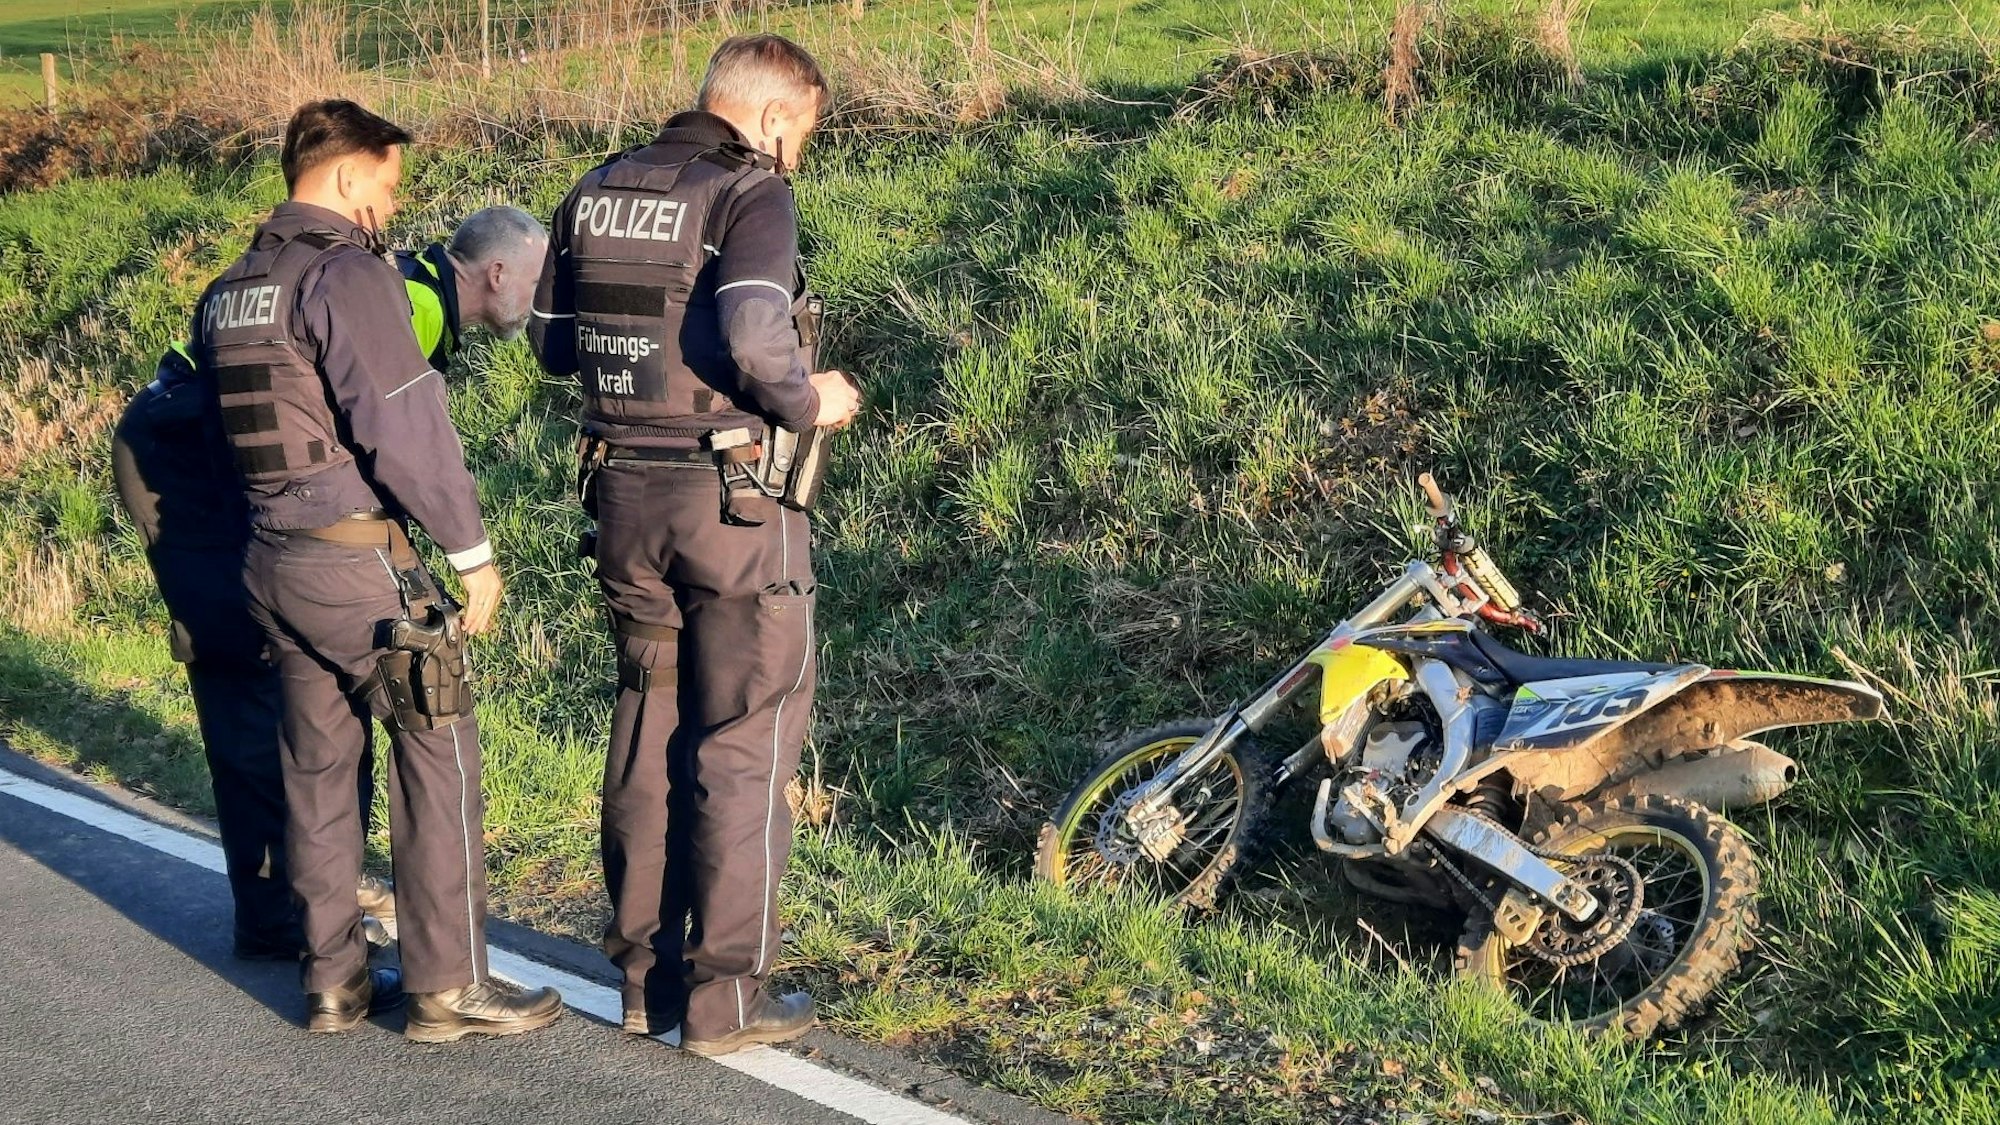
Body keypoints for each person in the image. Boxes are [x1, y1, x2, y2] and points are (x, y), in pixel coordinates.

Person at [189, 98, 561, 1040]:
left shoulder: (233, 286)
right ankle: (449, 984)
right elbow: (403, 420)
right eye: (387, 187)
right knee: (440, 751)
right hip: (358, 562)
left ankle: (334, 982)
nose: (390, 211)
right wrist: (471, 554)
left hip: (271, 561)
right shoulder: (346, 274)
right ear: (349, 172)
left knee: (317, 766)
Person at [531, 33, 861, 1055]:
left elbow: (551, 343)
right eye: (799, 133)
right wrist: (812, 399)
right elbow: (760, 334)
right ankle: (725, 1002)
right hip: (730, 510)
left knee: (646, 725)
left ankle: (641, 981)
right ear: (769, 116)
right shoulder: (747, 193)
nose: (796, 154)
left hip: (621, 498)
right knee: (746, 740)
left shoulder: (595, 187)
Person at [119, 208, 551, 958]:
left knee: (283, 680)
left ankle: (304, 909)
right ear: (497, 273)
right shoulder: (406, 304)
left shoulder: (410, 292)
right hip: (185, 457)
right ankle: (282, 915)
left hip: (203, 448)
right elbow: (385, 436)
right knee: (245, 675)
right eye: (541, 282)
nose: (544, 302)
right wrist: (462, 553)